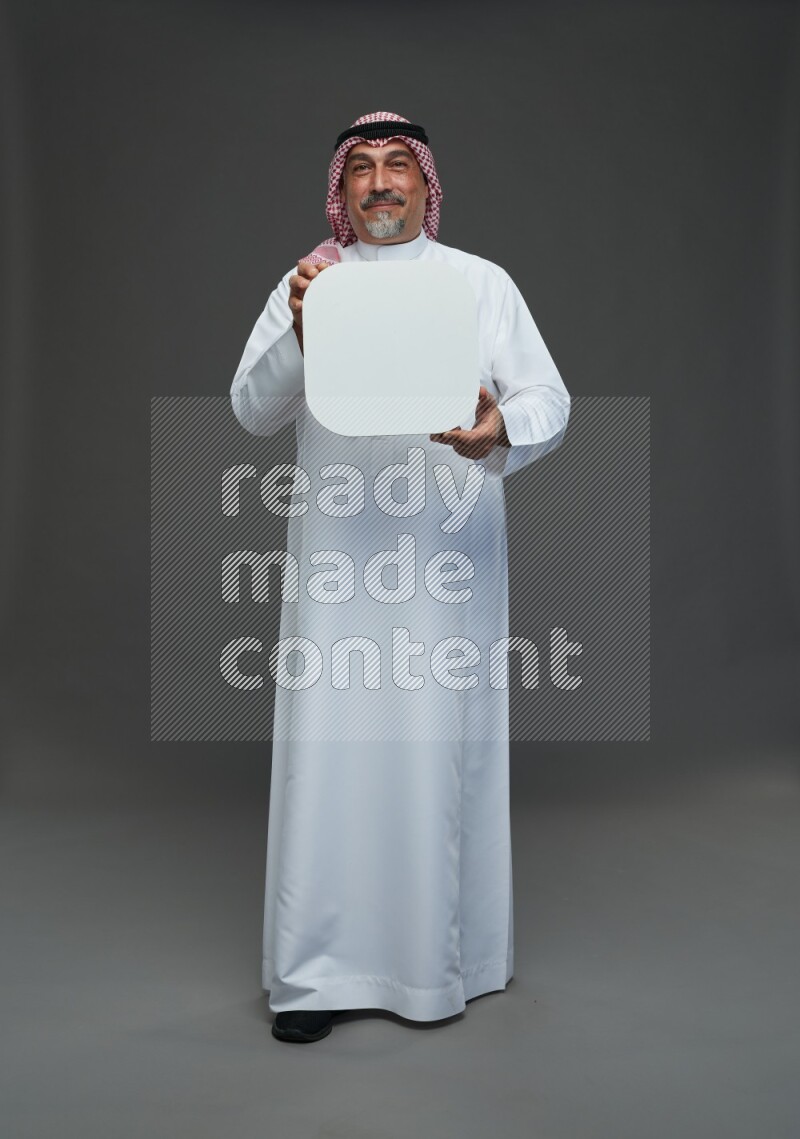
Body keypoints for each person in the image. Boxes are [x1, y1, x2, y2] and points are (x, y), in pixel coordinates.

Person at [230, 111, 571, 1043]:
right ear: (340, 193)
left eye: (397, 167)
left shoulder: (479, 284)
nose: (381, 183)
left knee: (433, 755)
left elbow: (550, 397)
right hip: (339, 569)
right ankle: (312, 977)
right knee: (328, 759)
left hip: (444, 568)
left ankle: (432, 968)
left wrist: (498, 427)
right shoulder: (312, 285)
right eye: (362, 171)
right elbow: (252, 409)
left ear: (426, 183)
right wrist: (302, 330)